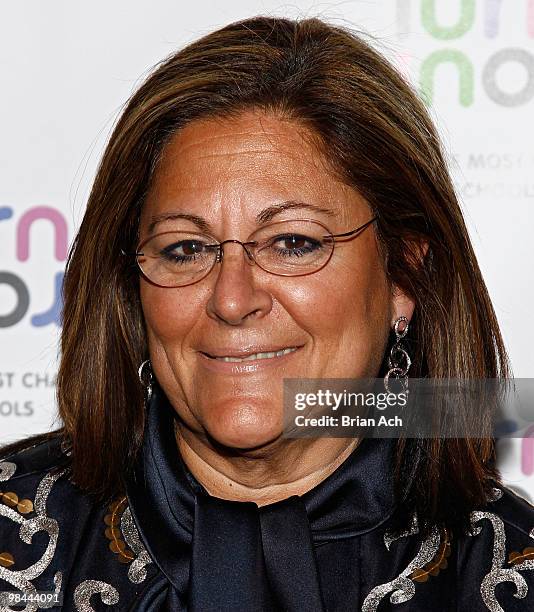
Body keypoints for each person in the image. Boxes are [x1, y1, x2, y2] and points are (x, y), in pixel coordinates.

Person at [1, 15, 533, 612]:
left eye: (293, 243)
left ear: (403, 277)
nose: (232, 299)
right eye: (185, 249)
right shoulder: (11, 539)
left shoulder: (508, 572)